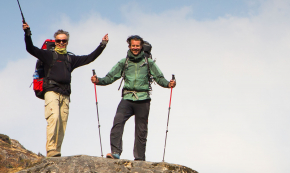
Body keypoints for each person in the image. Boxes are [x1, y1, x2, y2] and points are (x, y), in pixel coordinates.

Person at [23, 23, 108, 157]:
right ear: (55, 42)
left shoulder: (70, 59)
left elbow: (89, 58)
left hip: (66, 94)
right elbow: (30, 49)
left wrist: (102, 45)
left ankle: (57, 151)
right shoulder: (48, 55)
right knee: (54, 118)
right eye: (59, 41)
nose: (61, 43)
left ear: (67, 42)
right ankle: (51, 149)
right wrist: (27, 33)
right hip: (51, 91)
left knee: (62, 123)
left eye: (64, 41)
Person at [91, 35, 176, 161]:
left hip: (143, 99)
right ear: (129, 46)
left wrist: (169, 84)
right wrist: (98, 81)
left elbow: (159, 78)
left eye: (137, 46)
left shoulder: (148, 63)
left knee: (141, 131)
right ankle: (115, 152)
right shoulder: (124, 62)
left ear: (141, 46)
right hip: (127, 98)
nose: (135, 48)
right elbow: (111, 77)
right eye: (133, 46)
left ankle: (139, 158)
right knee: (117, 123)